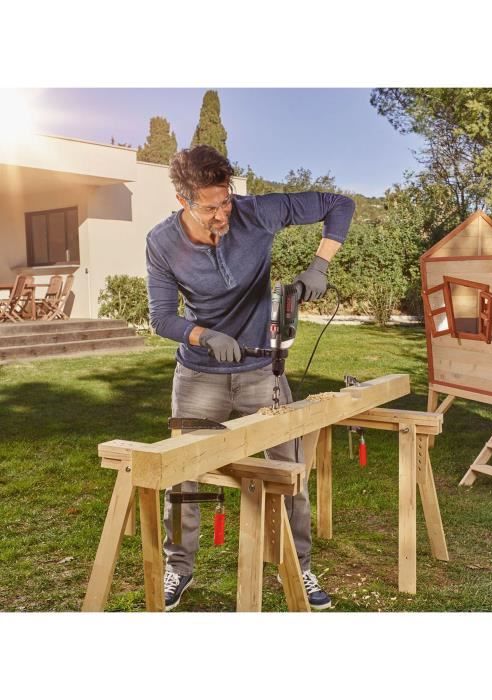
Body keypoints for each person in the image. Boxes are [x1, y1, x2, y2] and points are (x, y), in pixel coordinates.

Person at [146, 145, 355, 610]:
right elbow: (161, 317)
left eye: (225, 201)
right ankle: (179, 567)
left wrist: (319, 265)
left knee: (289, 471)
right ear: (183, 200)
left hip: (262, 371)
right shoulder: (161, 243)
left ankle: (298, 564)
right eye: (209, 208)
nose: (222, 214)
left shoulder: (256, 213)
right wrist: (203, 335)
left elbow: (339, 205)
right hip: (199, 377)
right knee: (183, 476)